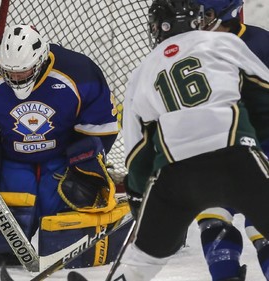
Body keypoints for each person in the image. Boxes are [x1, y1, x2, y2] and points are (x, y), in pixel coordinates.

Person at [0, 24, 131, 267]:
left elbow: (101, 127)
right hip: (12, 160)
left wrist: (85, 165)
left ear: (40, 60)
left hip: (61, 160)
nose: (16, 78)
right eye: (10, 73)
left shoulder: (79, 72)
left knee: (61, 228)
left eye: (23, 72)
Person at [110, 0, 269, 280]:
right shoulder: (225, 45)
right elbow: (263, 98)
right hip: (236, 156)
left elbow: (138, 147)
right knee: (241, 220)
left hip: (176, 172)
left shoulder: (143, 70)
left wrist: (138, 196)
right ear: (196, 20)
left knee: (145, 257)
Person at [193, 0, 269, 280]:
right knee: (211, 216)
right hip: (218, 148)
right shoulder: (189, 48)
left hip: (263, 144)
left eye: (205, 14)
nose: (198, 20)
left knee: (261, 224)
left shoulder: (260, 43)